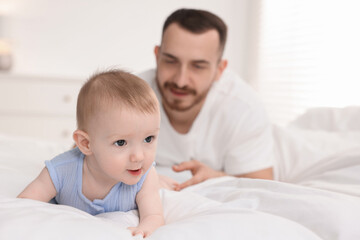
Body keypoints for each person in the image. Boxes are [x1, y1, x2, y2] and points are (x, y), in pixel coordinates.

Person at [138, 8, 274, 191]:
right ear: (157, 56)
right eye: (171, 61)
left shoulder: (244, 107)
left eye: (198, 66)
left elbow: (264, 185)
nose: (180, 80)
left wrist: (217, 177)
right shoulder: (129, 97)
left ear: (220, 69)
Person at [18, 70, 164, 237]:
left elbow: (154, 216)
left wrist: (144, 229)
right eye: (121, 142)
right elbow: (24, 205)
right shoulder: (61, 172)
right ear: (86, 144)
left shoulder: (145, 177)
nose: (139, 156)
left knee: (162, 183)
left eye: (148, 139)